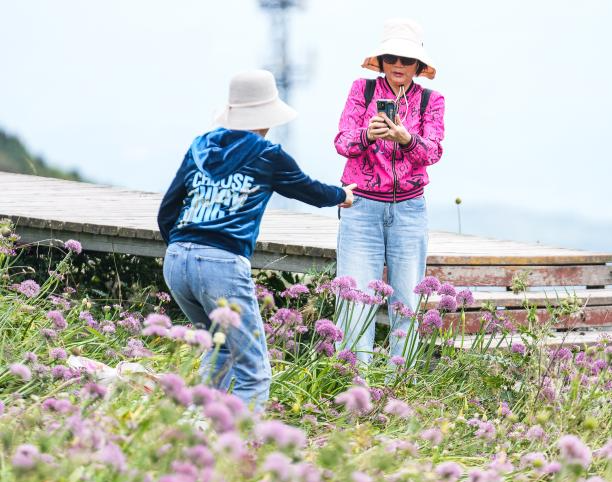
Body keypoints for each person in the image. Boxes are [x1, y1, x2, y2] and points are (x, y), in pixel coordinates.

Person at [158, 69, 354, 409]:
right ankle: (241, 450)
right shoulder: (268, 154)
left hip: (176, 259)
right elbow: (307, 189)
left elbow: (168, 209)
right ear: (268, 115)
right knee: (254, 370)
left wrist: (184, 248)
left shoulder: (199, 147)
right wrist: (342, 195)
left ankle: (194, 434)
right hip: (221, 264)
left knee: (219, 348)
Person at [334, 18, 445, 364]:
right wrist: (370, 134)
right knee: (353, 299)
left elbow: (433, 151)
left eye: (407, 60)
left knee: (406, 304)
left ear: (418, 65)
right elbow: (342, 141)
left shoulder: (432, 100)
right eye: (392, 58)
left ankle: (400, 386)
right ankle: (353, 381)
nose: (399, 65)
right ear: (381, 61)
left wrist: (405, 139)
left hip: (409, 209)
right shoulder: (361, 91)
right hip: (361, 206)